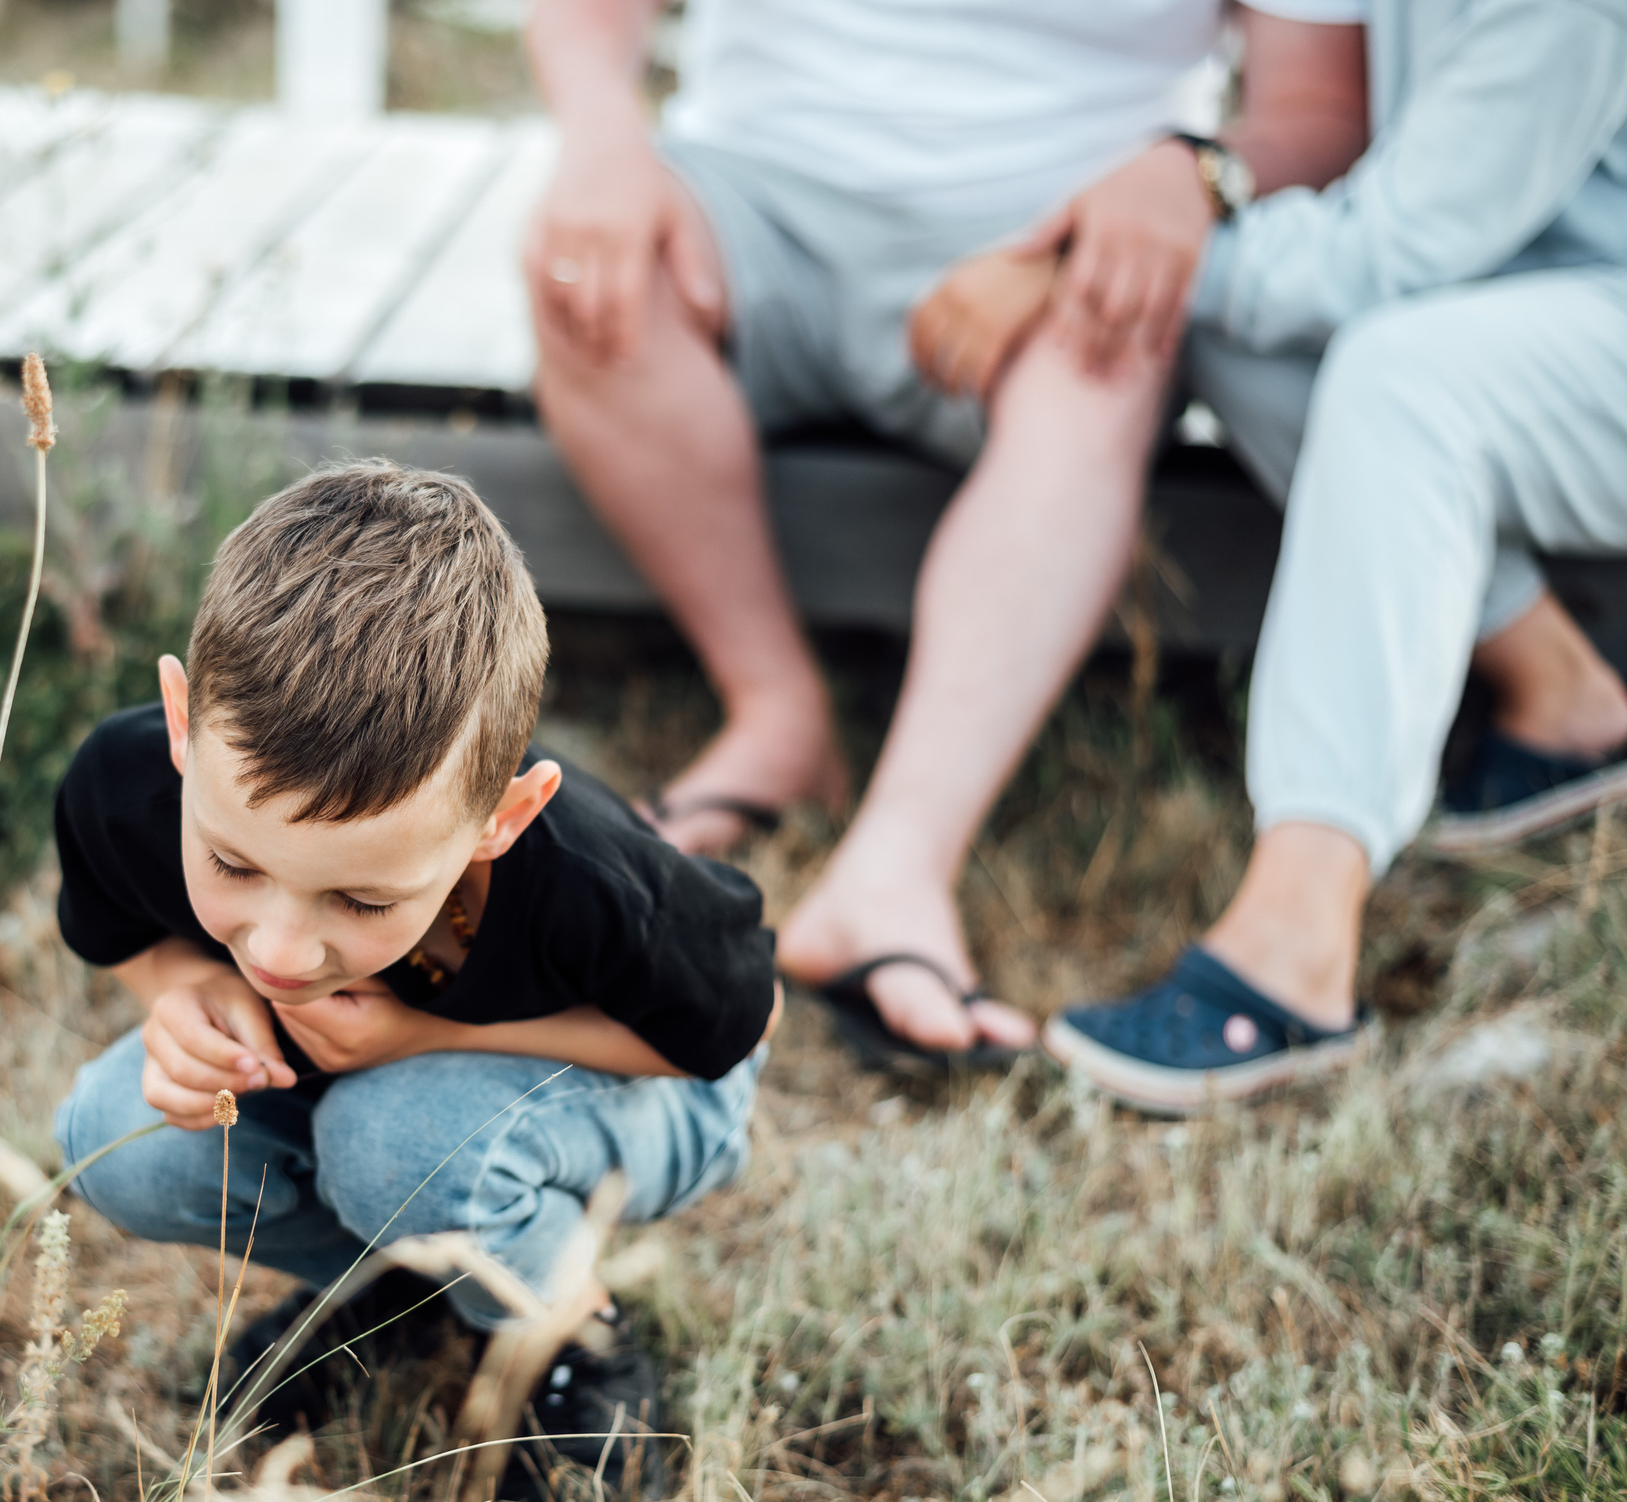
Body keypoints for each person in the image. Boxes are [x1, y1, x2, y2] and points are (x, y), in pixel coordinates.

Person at [526, 0, 1372, 1066]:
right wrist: (603, 141)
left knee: (1105, 352)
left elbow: (1322, 108)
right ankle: (774, 713)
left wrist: (1189, 172)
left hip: (1050, 233)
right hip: (747, 193)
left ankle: (896, 866)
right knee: (581, 276)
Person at [50, 461, 781, 1476]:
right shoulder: (129, 783)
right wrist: (177, 988)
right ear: (184, 724)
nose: (276, 950)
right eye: (232, 864)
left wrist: (424, 1033)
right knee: (113, 1132)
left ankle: (574, 1335)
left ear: (501, 818)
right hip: (401, 1100)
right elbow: (115, 914)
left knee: (394, 1139)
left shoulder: (586, 877)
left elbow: (741, 1022)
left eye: (361, 899)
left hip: (647, 1093)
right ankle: (404, 1286)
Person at [978, 0, 1627, 1110]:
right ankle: (1563, 696)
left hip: (1585, 303)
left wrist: (1086, 263)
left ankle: (1297, 944)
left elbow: (1400, 242)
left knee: (1398, 377)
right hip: (1516, 292)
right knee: (1242, 332)